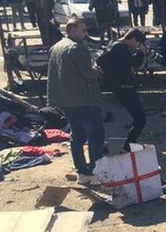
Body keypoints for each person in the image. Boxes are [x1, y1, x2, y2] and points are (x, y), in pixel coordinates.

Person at [46, 18, 105, 185]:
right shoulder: (77, 49)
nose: (86, 34)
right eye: (83, 30)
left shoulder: (56, 47)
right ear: (72, 30)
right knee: (95, 136)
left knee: (77, 137)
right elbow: (88, 74)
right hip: (84, 100)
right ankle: (95, 172)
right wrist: (98, 71)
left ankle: (82, 172)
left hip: (66, 101)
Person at [97, 28, 148, 152]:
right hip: (125, 87)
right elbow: (135, 64)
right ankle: (128, 147)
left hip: (118, 86)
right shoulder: (121, 48)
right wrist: (141, 53)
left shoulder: (113, 44)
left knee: (137, 118)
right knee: (140, 119)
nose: (136, 47)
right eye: (138, 44)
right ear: (134, 39)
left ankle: (129, 144)